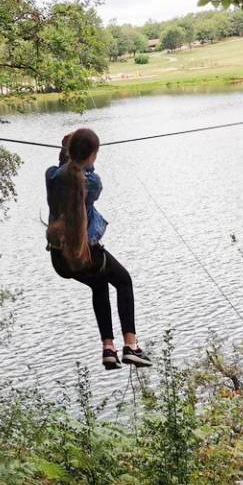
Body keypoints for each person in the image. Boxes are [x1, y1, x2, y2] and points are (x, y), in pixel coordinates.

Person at [45, 128, 152, 370]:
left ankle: (108, 349)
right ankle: (131, 346)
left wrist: (66, 153)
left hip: (60, 259)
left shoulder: (51, 176)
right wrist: (80, 157)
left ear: (68, 152)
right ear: (93, 155)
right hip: (85, 254)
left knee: (99, 284)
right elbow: (82, 174)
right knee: (123, 281)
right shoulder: (92, 182)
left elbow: (64, 173)